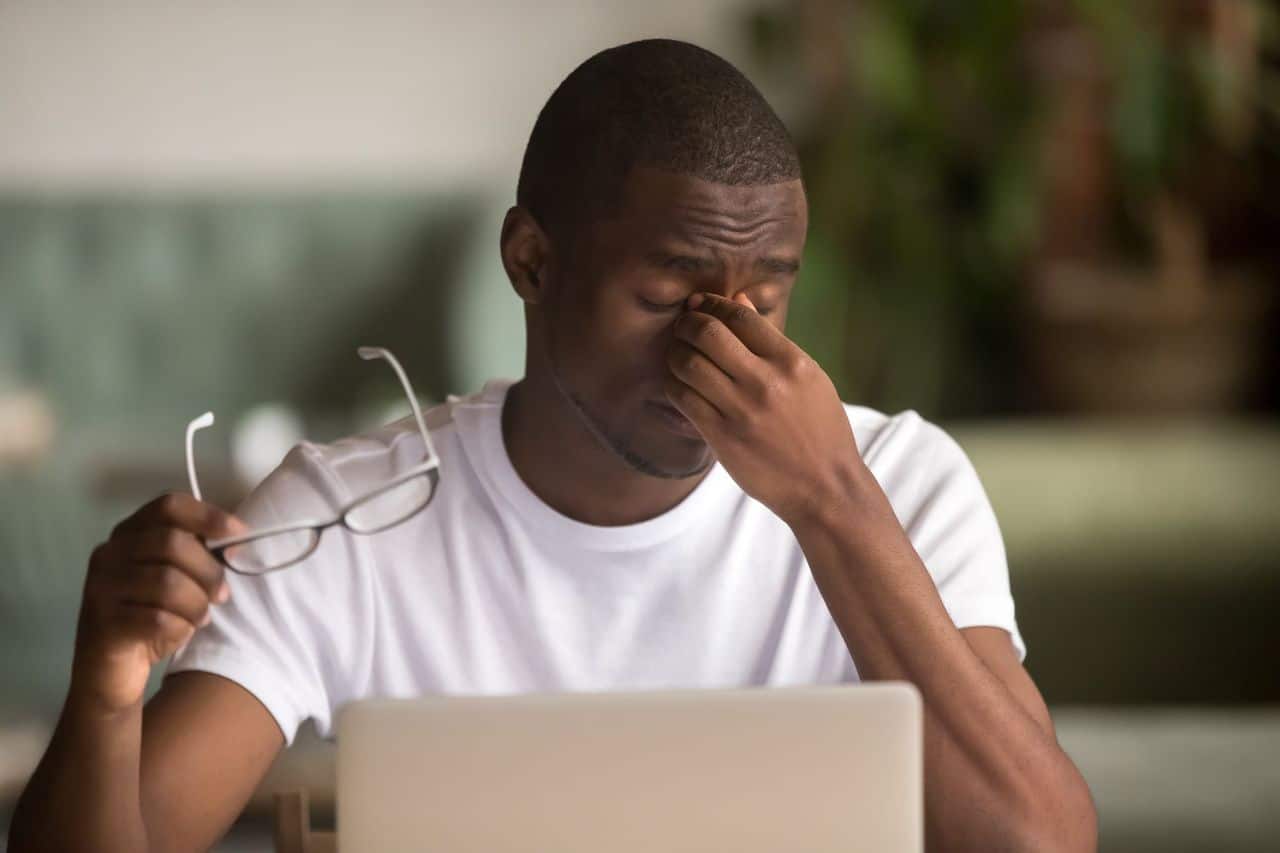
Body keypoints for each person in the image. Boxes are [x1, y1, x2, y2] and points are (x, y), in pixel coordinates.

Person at [8, 38, 1096, 853]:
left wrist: (825, 499)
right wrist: (105, 688)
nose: (719, 348)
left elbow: (1038, 838)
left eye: (766, 298)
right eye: (667, 293)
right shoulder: (350, 518)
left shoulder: (896, 482)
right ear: (530, 261)